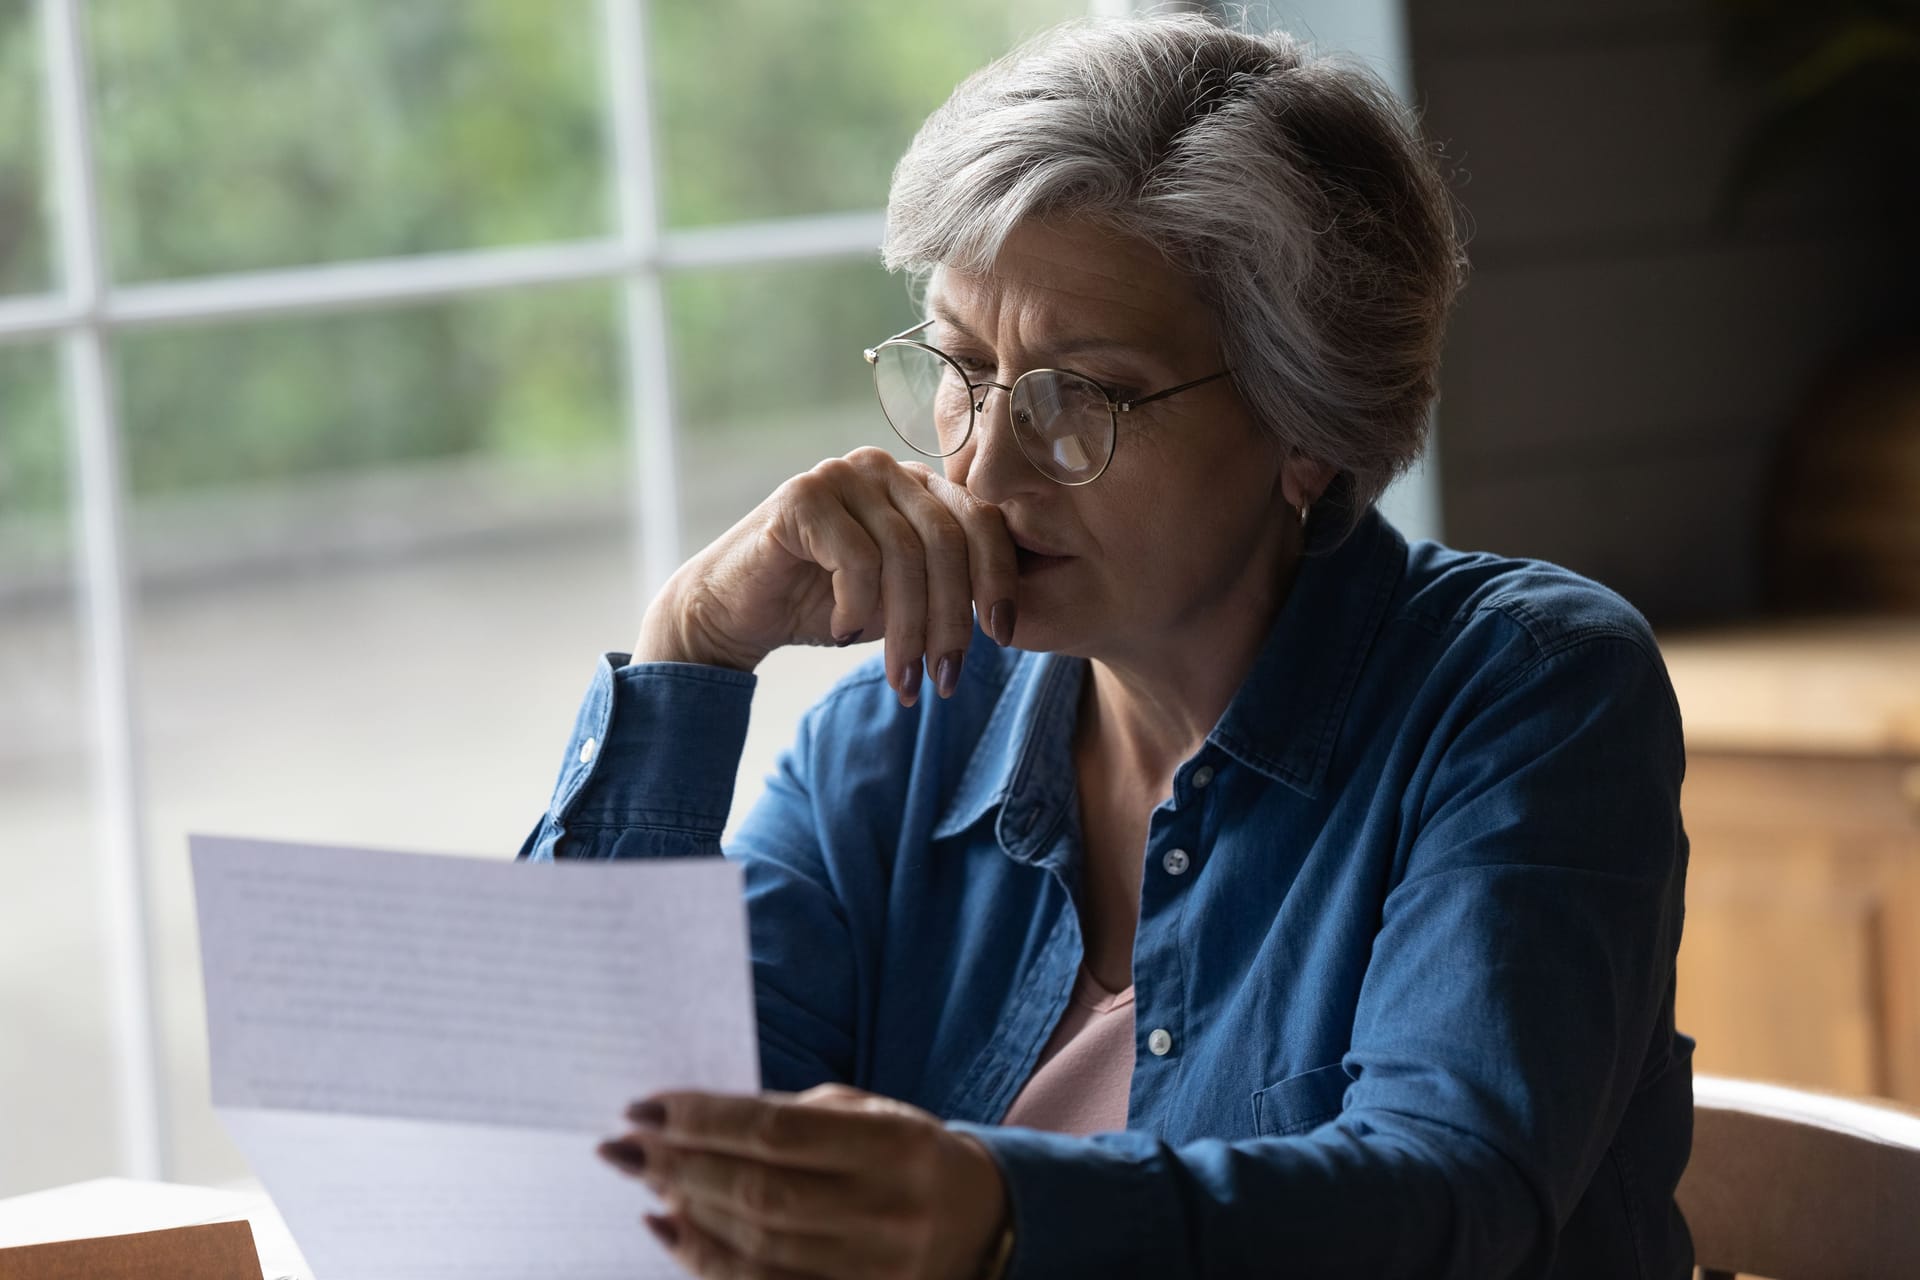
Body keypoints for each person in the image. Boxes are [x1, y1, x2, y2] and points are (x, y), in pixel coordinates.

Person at [522, 13, 1695, 1279]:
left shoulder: (1526, 688)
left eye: (1083, 394)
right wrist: (692, 648)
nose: (980, 461)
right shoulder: (894, 740)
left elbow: (1446, 1199)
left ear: (1308, 426)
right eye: (962, 367)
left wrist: (1000, 1210)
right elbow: (576, 1157)